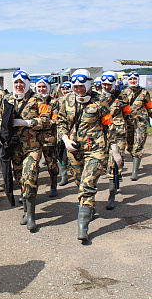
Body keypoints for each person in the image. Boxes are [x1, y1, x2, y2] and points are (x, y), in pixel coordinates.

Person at [58, 69, 122, 241]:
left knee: (87, 184)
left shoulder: (100, 100)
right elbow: (61, 122)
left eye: (82, 86)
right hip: (74, 150)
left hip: (95, 150)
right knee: (80, 184)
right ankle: (89, 207)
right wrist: (65, 139)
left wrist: (114, 150)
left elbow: (109, 126)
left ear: (88, 84)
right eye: (76, 86)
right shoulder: (66, 100)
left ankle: (83, 227)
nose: (79, 89)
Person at [0, 70, 49, 230]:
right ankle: (26, 211)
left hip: (32, 147)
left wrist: (25, 123)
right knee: (20, 180)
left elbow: (46, 121)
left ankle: (32, 216)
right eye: (16, 83)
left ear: (27, 83)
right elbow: (1, 116)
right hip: (14, 148)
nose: (19, 85)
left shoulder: (38, 99)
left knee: (29, 178)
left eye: (22, 82)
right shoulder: (7, 99)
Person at [101, 71, 139, 209]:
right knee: (104, 163)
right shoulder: (97, 97)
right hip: (102, 135)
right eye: (104, 84)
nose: (106, 87)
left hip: (118, 134)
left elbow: (129, 116)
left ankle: (112, 195)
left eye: (109, 84)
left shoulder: (122, 97)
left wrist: (135, 133)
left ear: (114, 84)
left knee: (115, 163)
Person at [121, 71, 152, 180]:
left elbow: (149, 107)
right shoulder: (124, 92)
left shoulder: (144, 92)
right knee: (130, 145)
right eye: (131, 79)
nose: (133, 81)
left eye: (135, 79)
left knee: (138, 145)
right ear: (128, 80)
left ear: (138, 80)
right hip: (128, 123)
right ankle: (135, 161)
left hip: (141, 123)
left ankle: (134, 172)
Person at [34, 77, 59, 197]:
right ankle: (32, 189)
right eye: (39, 87)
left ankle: (53, 185)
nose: (41, 89)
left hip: (49, 138)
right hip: (33, 139)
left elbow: (55, 120)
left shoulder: (54, 102)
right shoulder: (31, 101)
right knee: (33, 165)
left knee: (51, 164)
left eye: (44, 87)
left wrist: (38, 123)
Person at [57, 81, 72, 186]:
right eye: (64, 89)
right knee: (60, 152)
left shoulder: (75, 100)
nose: (66, 91)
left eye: (68, 89)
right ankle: (64, 175)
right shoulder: (57, 101)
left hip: (73, 131)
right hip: (61, 130)